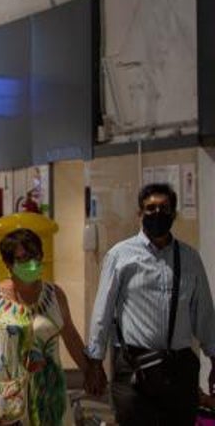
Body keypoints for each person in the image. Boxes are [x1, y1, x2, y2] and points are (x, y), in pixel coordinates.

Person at [84, 182, 215, 425]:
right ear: (139, 214)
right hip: (134, 369)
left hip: (178, 370)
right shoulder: (120, 256)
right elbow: (102, 311)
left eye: (164, 208)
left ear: (173, 214)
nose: (157, 214)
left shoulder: (189, 258)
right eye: (150, 208)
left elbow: (204, 314)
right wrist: (95, 362)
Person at [0, 228, 91, 425]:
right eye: (24, 258)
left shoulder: (55, 295)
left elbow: (70, 336)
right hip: (4, 397)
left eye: (36, 256)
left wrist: (90, 372)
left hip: (47, 396)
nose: (32, 264)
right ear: (9, 264)